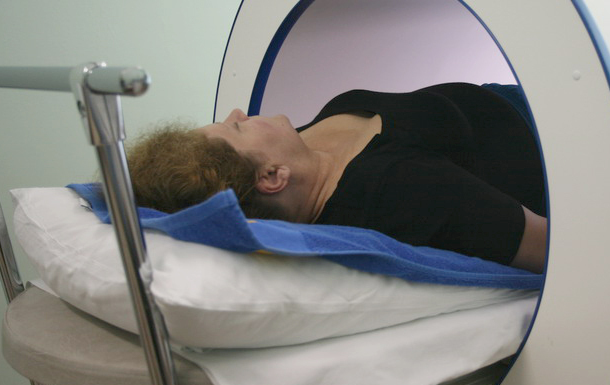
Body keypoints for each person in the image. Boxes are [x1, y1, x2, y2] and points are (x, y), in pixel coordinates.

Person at [128, 82, 547, 273]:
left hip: (509, 95)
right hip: (548, 131)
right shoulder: (401, 190)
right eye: (235, 127)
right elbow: (548, 250)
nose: (238, 112)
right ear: (272, 176)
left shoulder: (299, 160)